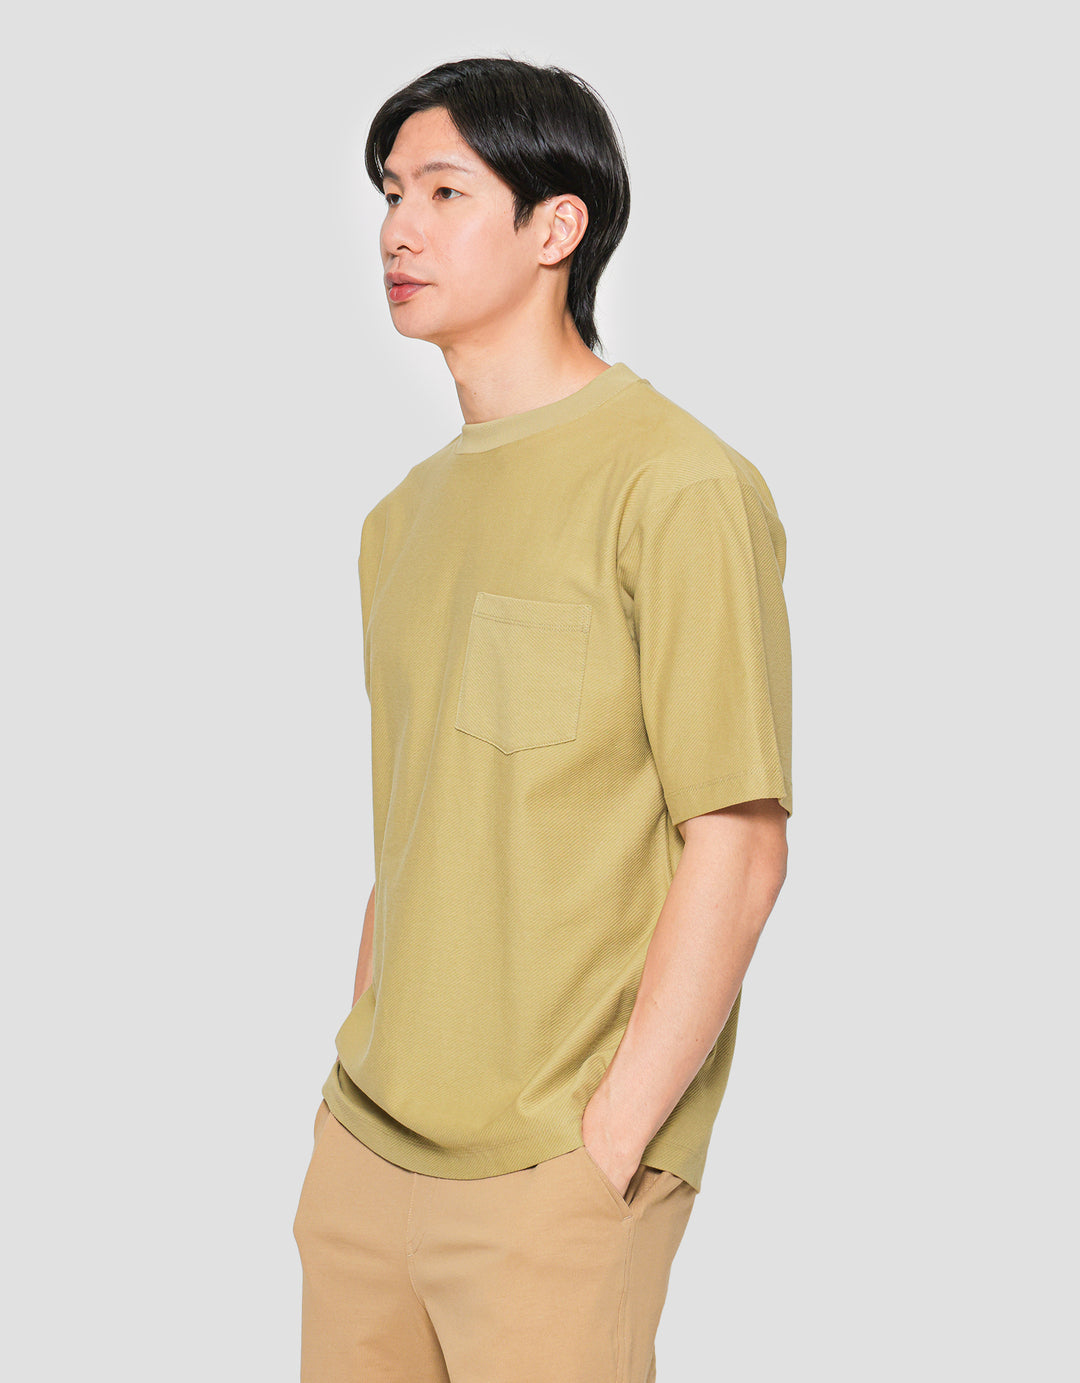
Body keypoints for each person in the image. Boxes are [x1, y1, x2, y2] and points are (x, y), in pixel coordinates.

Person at [292, 55, 793, 1383]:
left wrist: (609, 1143)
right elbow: (414, 836)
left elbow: (738, 843)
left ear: (556, 225)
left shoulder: (675, 484)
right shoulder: (399, 520)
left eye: (445, 191)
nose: (399, 229)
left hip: (552, 1177)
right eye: (390, 193)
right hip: (364, 1158)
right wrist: (348, 1095)